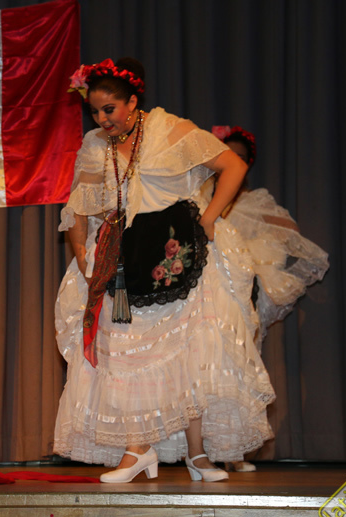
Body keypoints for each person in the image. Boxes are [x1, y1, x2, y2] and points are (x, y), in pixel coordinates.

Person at [53, 58, 275, 483]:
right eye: (95, 112)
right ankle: (137, 450)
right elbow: (79, 204)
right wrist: (82, 254)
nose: (102, 119)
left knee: (189, 355)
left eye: (109, 109)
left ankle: (198, 455)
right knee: (128, 355)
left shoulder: (170, 130)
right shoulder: (96, 145)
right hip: (123, 261)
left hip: (180, 255)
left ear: (132, 102)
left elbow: (233, 166)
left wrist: (209, 218)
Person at [206, 126, 330, 472]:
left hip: (244, 294)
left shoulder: (256, 202)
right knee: (207, 370)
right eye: (227, 156)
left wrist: (257, 261)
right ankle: (203, 451)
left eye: (240, 158)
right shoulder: (202, 198)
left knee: (242, 368)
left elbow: (294, 238)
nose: (233, 162)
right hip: (210, 293)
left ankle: (234, 453)